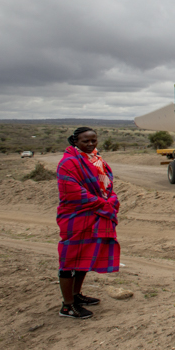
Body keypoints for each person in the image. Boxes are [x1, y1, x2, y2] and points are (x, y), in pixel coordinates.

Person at [56, 127, 121, 319]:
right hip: (76, 216)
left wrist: (112, 200)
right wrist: (104, 204)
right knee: (69, 260)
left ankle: (76, 295)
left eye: (94, 140)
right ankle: (67, 306)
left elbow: (108, 186)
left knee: (84, 257)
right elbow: (73, 192)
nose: (91, 144)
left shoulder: (97, 160)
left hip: (94, 214)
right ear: (75, 142)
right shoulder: (68, 163)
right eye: (86, 141)